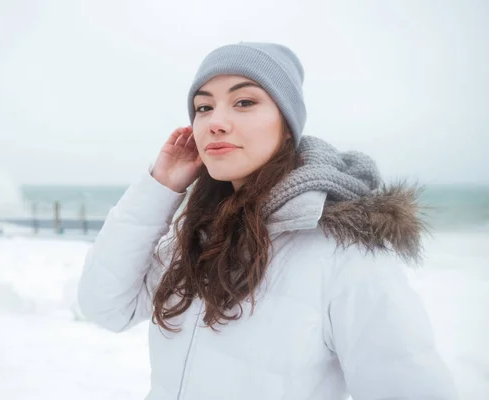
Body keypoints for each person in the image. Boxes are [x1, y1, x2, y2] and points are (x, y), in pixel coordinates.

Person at [77, 42, 458, 399]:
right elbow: (105, 307)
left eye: (244, 102)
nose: (215, 122)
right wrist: (159, 189)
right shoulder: (197, 235)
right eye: (204, 107)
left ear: (286, 124)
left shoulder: (346, 251)